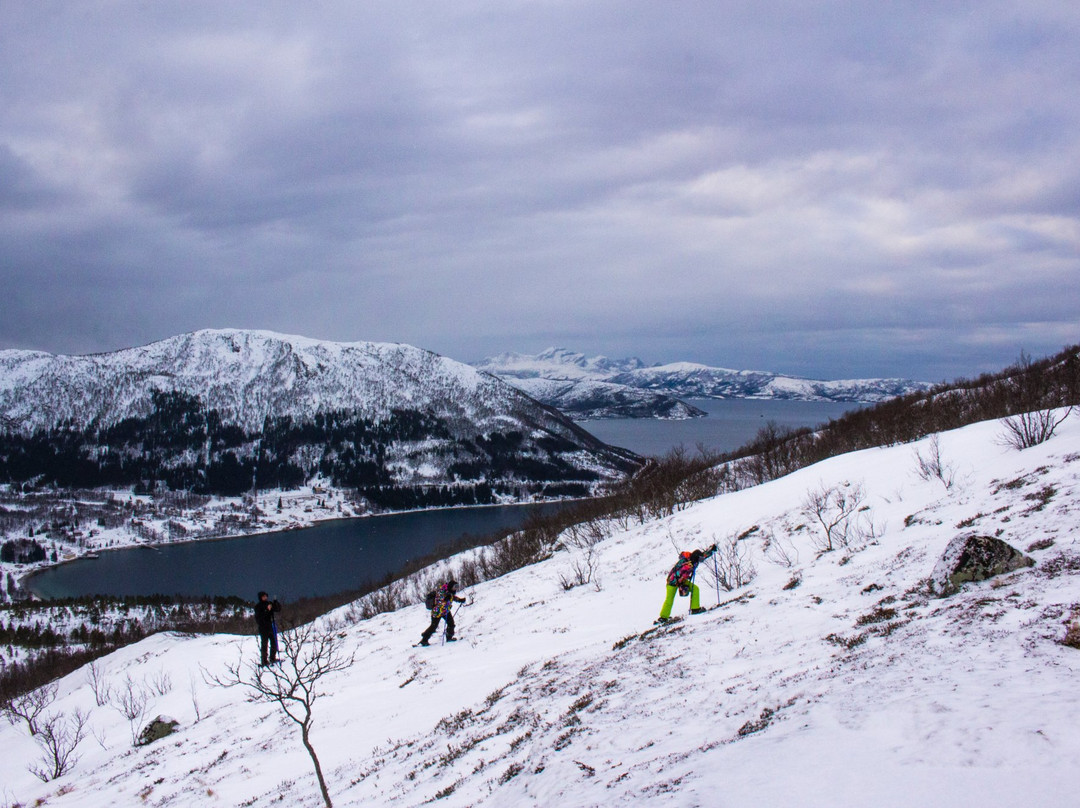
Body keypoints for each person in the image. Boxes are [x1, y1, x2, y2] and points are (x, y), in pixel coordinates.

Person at [656, 544, 717, 623]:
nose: (701, 560)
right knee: (670, 599)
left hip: (679, 580)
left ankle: (694, 608)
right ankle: (663, 617)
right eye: (700, 559)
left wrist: (711, 550)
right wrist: (682, 585)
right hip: (673, 582)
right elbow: (679, 574)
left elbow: (703, 556)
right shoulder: (687, 565)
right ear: (696, 558)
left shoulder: (692, 558)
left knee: (695, 589)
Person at [419, 578, 467, 646]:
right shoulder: (441, 591)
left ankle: (449, 637)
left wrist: (459, 600)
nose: (455, 588)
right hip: (437, 612)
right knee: (433, 627)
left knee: (451, 624)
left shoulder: (450, 592)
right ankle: (424, 639)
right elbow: (438, 600)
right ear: (451, 586)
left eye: (457, 586)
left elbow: (452, 597)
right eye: (455, 587)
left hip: (445, 611)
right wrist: (444, 599)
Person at [254, 591, 281, 665]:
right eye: (263, 596)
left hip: (271, 626)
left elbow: (278, 609)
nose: (265, 598)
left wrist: (275, 603)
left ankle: (273, 658)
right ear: (260, 597)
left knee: (274, 642)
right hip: (263, 627)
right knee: (264, 644)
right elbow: (259, 617)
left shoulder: (269, 603)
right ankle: (264, 661)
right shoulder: (258, 606)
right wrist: (267, 610)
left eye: (266, 596)